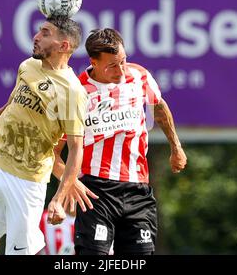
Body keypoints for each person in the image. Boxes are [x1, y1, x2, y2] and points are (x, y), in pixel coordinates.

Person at [0, 15, 97, 255]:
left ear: (64, 45)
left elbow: (76, 148)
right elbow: (7, 111)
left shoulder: (73, 91)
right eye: (39, 31)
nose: (36, 37)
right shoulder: (28, 67)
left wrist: (58, 198)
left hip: (26, 180)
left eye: (45, 33)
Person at [53, 28, 187, 255]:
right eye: (112, 66)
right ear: (93, 62)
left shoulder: (139, 76)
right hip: (96, 191)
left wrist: (176, 147)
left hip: (138, 189)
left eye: (123, 61)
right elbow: (52, 153)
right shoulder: (76, 93)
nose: (121, 71)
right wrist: (70, 182)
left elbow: (159, 107)